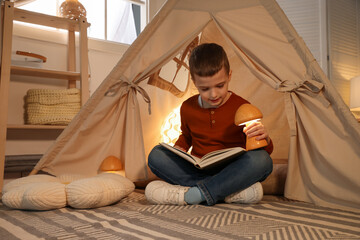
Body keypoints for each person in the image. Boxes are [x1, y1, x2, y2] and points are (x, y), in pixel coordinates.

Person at [145, 43, 273, 206]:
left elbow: (262, 151)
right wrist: (179, 149)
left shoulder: (242, 107)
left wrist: (265, 139)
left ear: (229, 76)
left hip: (232, 170)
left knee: (262, 160)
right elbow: (186, 137)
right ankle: (224, 191)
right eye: (205, 89)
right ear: (194, 82)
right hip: (198, 167)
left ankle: (194, 193)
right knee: (157, 155)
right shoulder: (187, 107)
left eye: (220, 86)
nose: (213, 94)